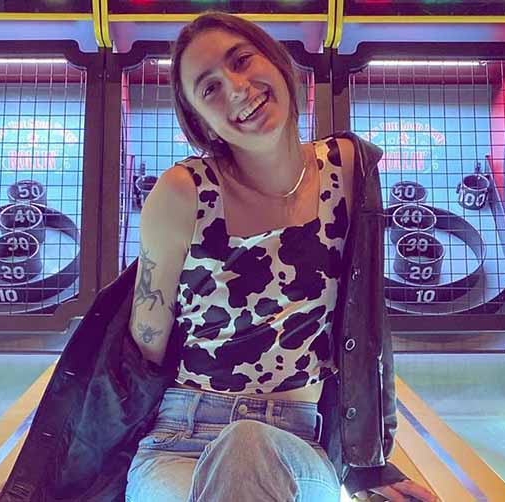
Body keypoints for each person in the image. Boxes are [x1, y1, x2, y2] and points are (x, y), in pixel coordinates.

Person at [121, 12, 435, 502]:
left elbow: (366, 324)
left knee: (249, 446)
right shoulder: (182, 192)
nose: (239, 88)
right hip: (181, 440)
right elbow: (143, 348)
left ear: (276, 60)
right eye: (211, 89)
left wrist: (370, 464)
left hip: (298, 442)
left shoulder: (348, 170)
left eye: (243, 61)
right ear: (201, 124)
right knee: (236, 455)